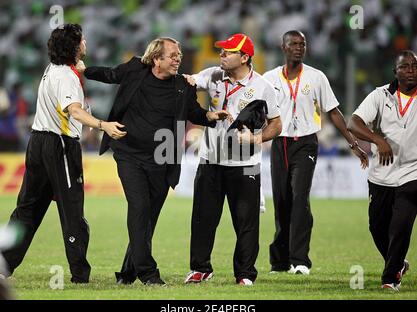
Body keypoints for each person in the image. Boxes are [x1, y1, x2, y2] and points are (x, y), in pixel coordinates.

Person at [78, 37, 228, 286]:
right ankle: (149, 274)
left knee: (148, 218)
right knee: (138, 209)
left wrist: (210, 116)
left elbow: (193, 112)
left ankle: (127, 273)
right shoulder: (136, 68)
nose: (178, 59)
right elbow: (111, 74)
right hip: (129, 153)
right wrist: (85, 71)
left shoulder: (183, 85)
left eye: (179, 55)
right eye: (172, 55)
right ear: (156, 59)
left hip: (163, 159)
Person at [0, 24, 126, 284]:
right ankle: (80, 274)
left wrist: (80, 69)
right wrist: (104, 126)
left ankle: (3, 265)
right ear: (75, 46)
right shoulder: (67, 77)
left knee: (27, 209)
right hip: (59, 146)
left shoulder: (52, 70)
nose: (86, 42)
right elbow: (75, 111)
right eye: (83, 39)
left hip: (37, 142)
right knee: (71, 210)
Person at [263, 30, 368, 275]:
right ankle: (279, 261)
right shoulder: (269, 78)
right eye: (294, 44)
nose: (299, 47)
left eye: (303, 44)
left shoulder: (316, 77)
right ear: (283, 47)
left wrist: (353, 143)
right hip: (280, 144)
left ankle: (300, 261)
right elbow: (258, 109)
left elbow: (333, 112)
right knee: (281, 200)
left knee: (300, 197)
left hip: (306, 143)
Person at [183, 33, 282, 286]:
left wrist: (256, 139)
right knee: (203, 218)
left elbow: (276, 124)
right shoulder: (214, 74)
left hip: (244, 164)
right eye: (222, 50)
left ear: (245, 57)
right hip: (210, 160)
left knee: (246, 223)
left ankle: (245, 274)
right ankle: (200, 268)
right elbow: (189, 82)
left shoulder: (263, 87)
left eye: (229, 51)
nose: (222, 54)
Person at [348, 50, 417, 291]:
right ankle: (398, 262)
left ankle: (390, 278)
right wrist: (377, 139)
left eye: (414, 66)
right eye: (405, 67)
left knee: (401, 225)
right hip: (381, 174)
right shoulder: (380, 95)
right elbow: (353, 122)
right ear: (395, 72)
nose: (411, 71)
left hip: (412, 173)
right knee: (377, 227)